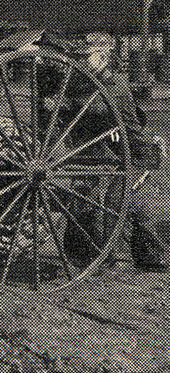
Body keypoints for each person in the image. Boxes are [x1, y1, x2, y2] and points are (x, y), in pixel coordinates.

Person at [43, 37, 169, 272]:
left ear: (102, 58)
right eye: (79, 58)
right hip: (115, 151)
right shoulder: (89, 83)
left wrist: (63, 104)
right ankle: (88, 254)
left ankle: (135, 257)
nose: (81, 63)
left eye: (85, 58)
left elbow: (98, 106)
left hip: (139, 154)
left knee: (117, 200)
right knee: (90, 194)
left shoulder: (116, 86)